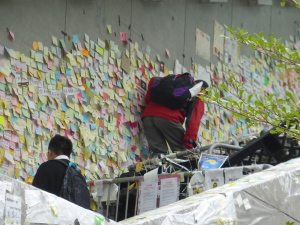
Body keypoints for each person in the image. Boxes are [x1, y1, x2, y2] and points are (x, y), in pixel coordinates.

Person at [142, 75, 208, 155]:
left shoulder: (169, 81)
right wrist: (189, 142)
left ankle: (159, 167)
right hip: (169, 119)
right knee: (182, 153)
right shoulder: (198, 92)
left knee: (159, 154)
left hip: (147, 116)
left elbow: (148, 98)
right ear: (204, 89)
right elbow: (194, 120)